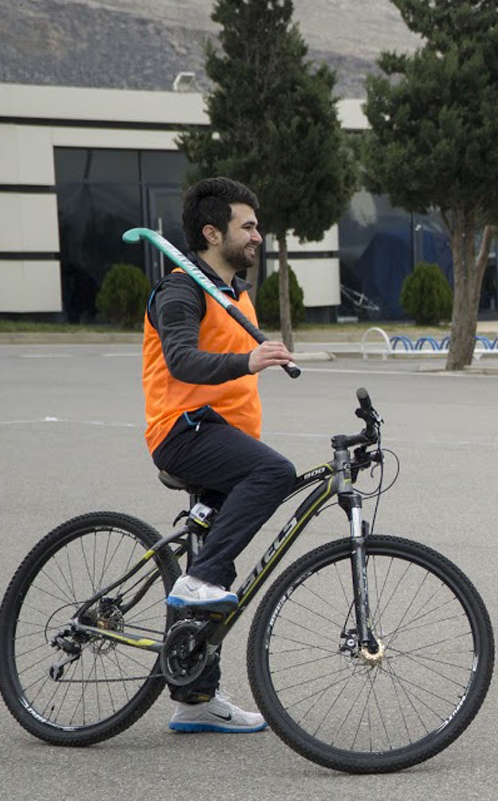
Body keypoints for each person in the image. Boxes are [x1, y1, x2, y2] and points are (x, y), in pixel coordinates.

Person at [142, 176, 297, 733]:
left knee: (216, 562)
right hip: (183, 430)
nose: (257, 235)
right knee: (275, 472)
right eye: (247, 226)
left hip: (223, 439)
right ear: (212, 232)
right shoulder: (181, 289)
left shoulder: (233, 294)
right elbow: (182, 360)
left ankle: (194, 699)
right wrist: (246, 363)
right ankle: (198, 580)